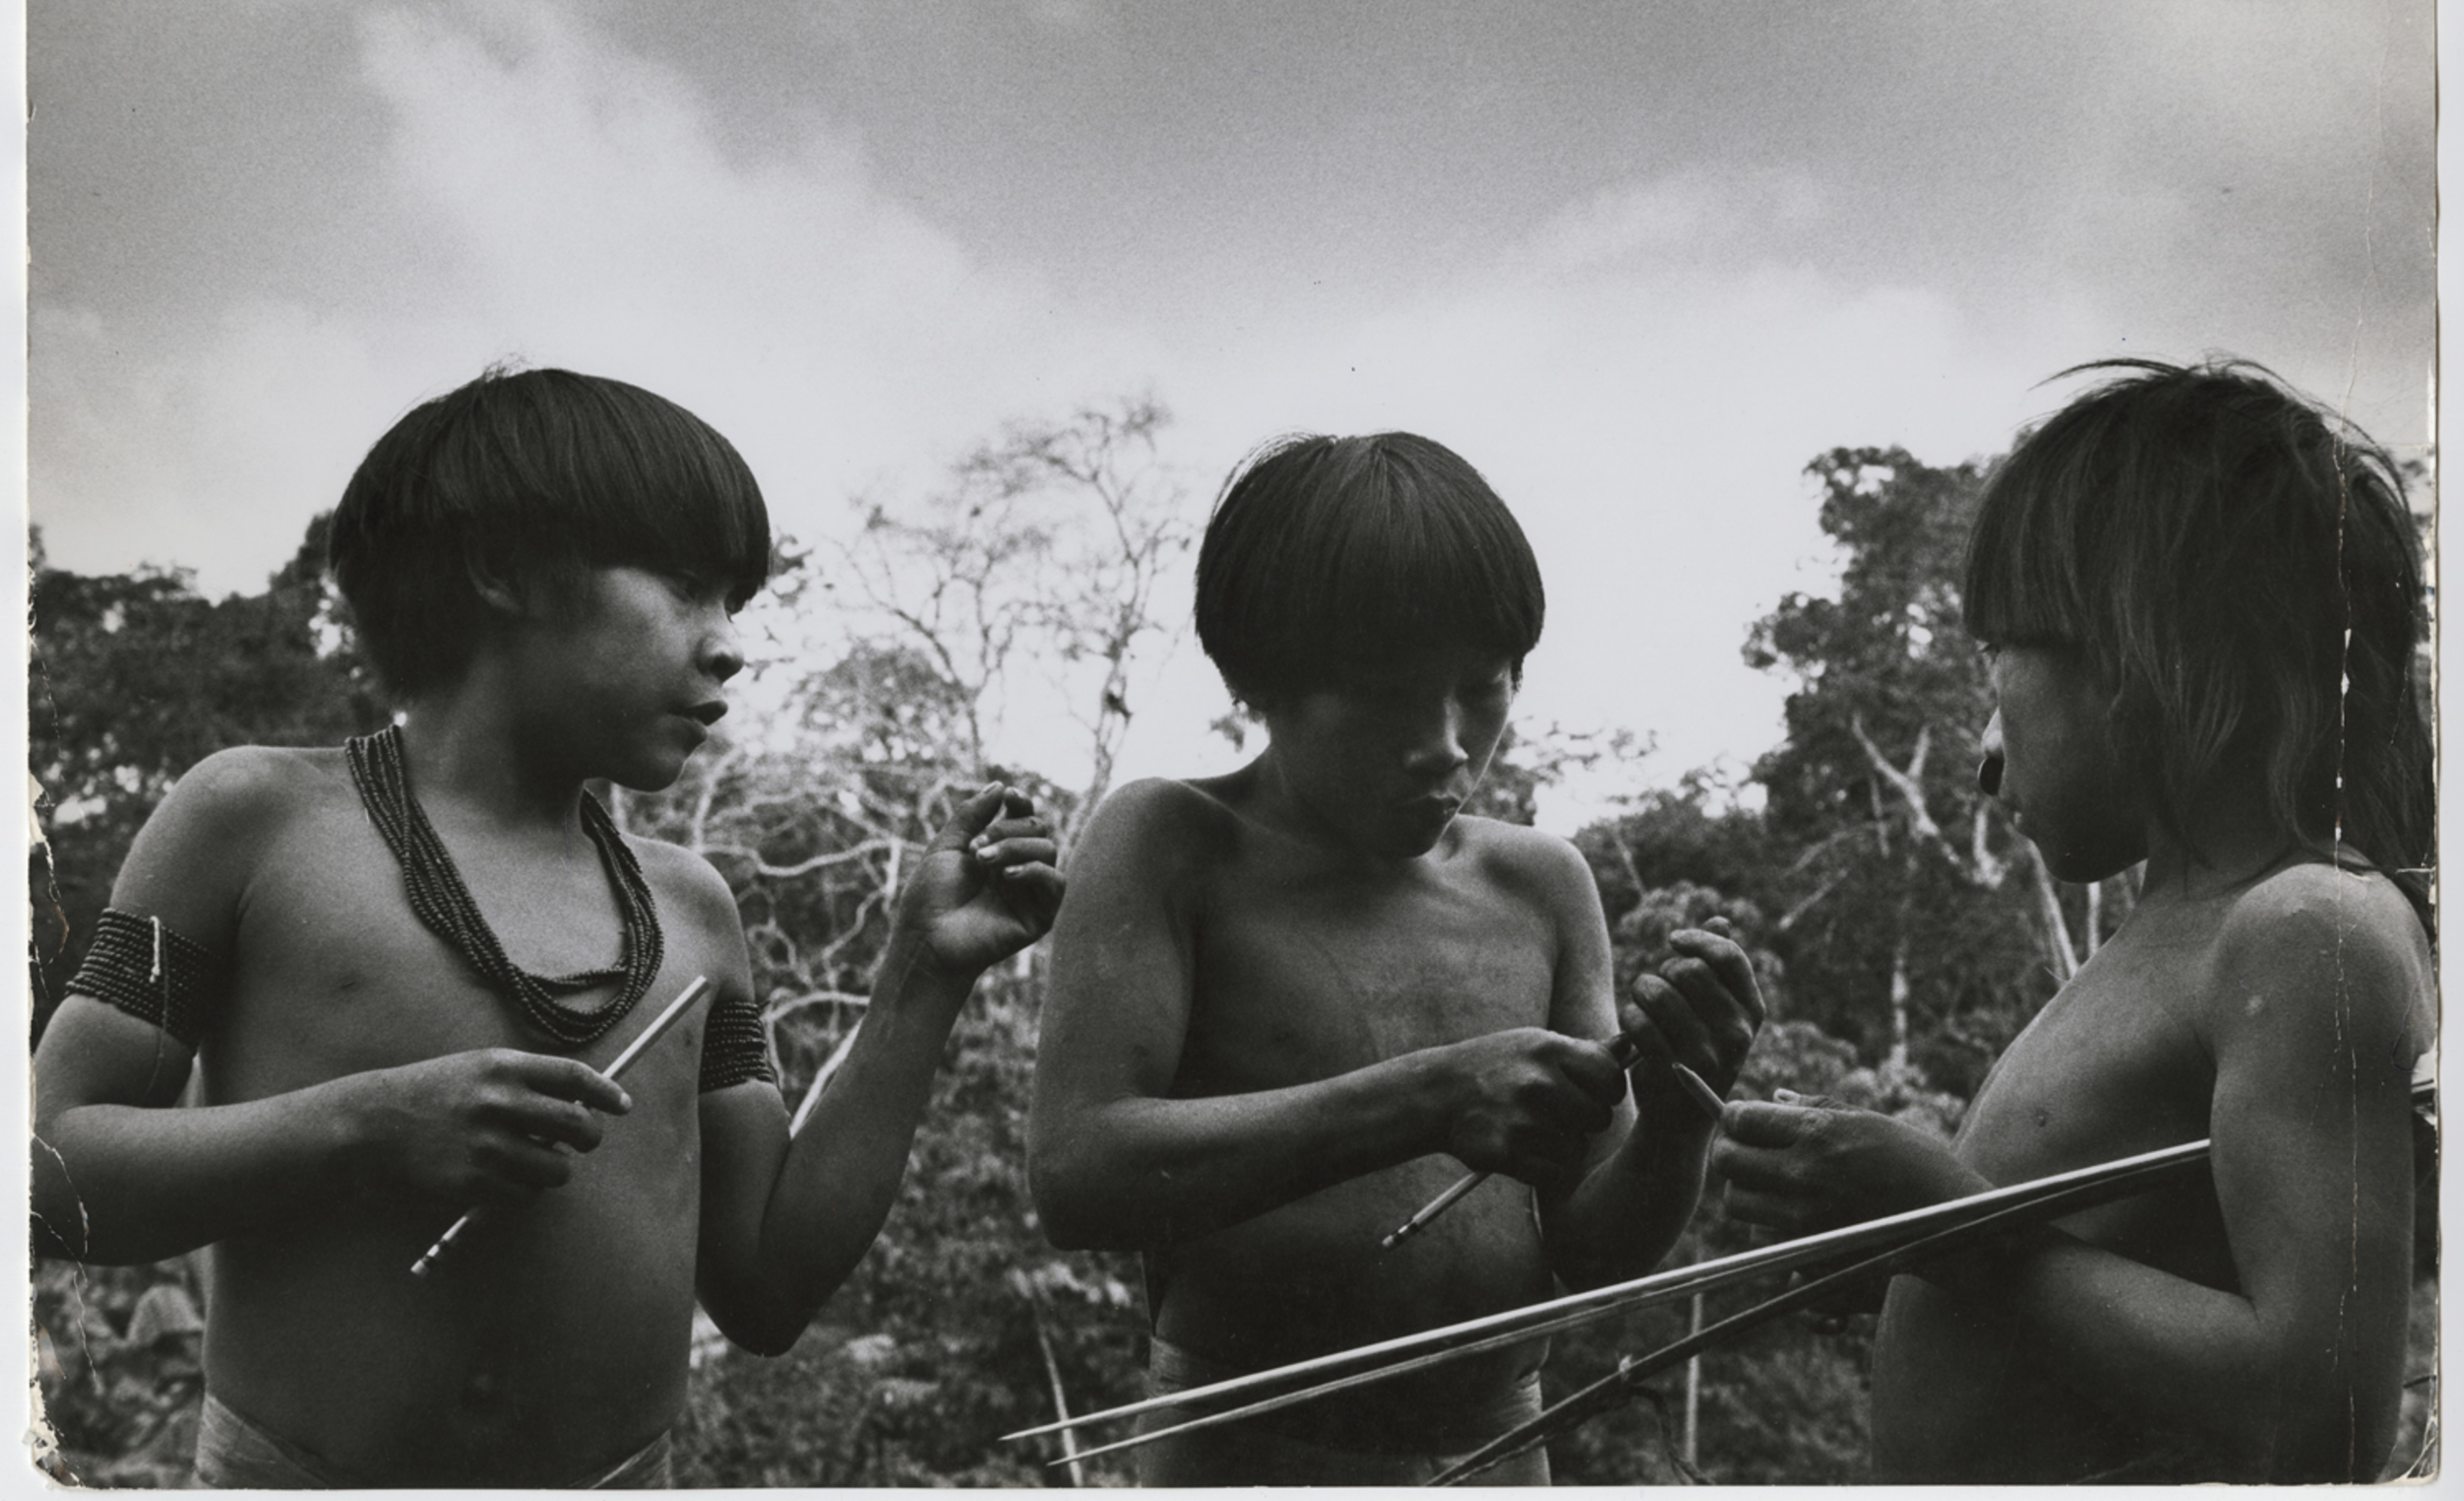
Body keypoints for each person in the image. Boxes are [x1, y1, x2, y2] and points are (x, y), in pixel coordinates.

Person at [32, 367, 1063, 1487]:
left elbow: (766, 1290)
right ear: (501, 569)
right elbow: (44, 1175)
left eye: (734, 605)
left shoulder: (691, 911)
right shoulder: (256, 821)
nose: (727, 645)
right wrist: (367, 1125)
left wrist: (922, 981)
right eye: (683, 586)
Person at [1713, 360, 2435, 1483]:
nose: (1984, 757)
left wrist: (1944, 1229)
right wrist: (1893, 1241)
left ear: (2136, 651)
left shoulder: (2302, 928)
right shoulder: (2185, 931)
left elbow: (2321, 1415)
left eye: (1996, 661)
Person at [1027, 431, 1765, 1485]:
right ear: (1258, 680)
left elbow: (1597, 1244)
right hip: (1239, 1453)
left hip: (1499, 1450)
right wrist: (1427, 1098)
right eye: (1387, 695)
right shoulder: (1172, 844)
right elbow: (1078, 1177)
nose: (1448, 743)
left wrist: (1681, 1113)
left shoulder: (1539, 886)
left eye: (1485, 686)